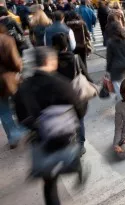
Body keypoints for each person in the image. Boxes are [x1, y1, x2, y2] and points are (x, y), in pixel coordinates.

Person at [14, 47, 88, 205]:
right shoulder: (61, 83)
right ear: (49, 61)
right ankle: (76, 168)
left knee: (49, 183)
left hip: (41, 141)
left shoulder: (24, 87)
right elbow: (79, 110)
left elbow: (21, 118)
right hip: (64, 136)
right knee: (70, 156)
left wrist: (37, 127)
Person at [52, 33, 92, 155]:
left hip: (61, 97)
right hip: (76, 95)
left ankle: (69, 144)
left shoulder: (52, 62)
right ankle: (80, 145)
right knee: (80, 120)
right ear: (67, 44)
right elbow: (86, 76)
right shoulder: (75, 58)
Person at [0, 24, 28, 149]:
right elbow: (16, 61)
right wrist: (20, 69)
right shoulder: (6, 40)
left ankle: (12, 138)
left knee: (3, 110)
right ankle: (25, 128)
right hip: (10, 78)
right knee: (20, 104)